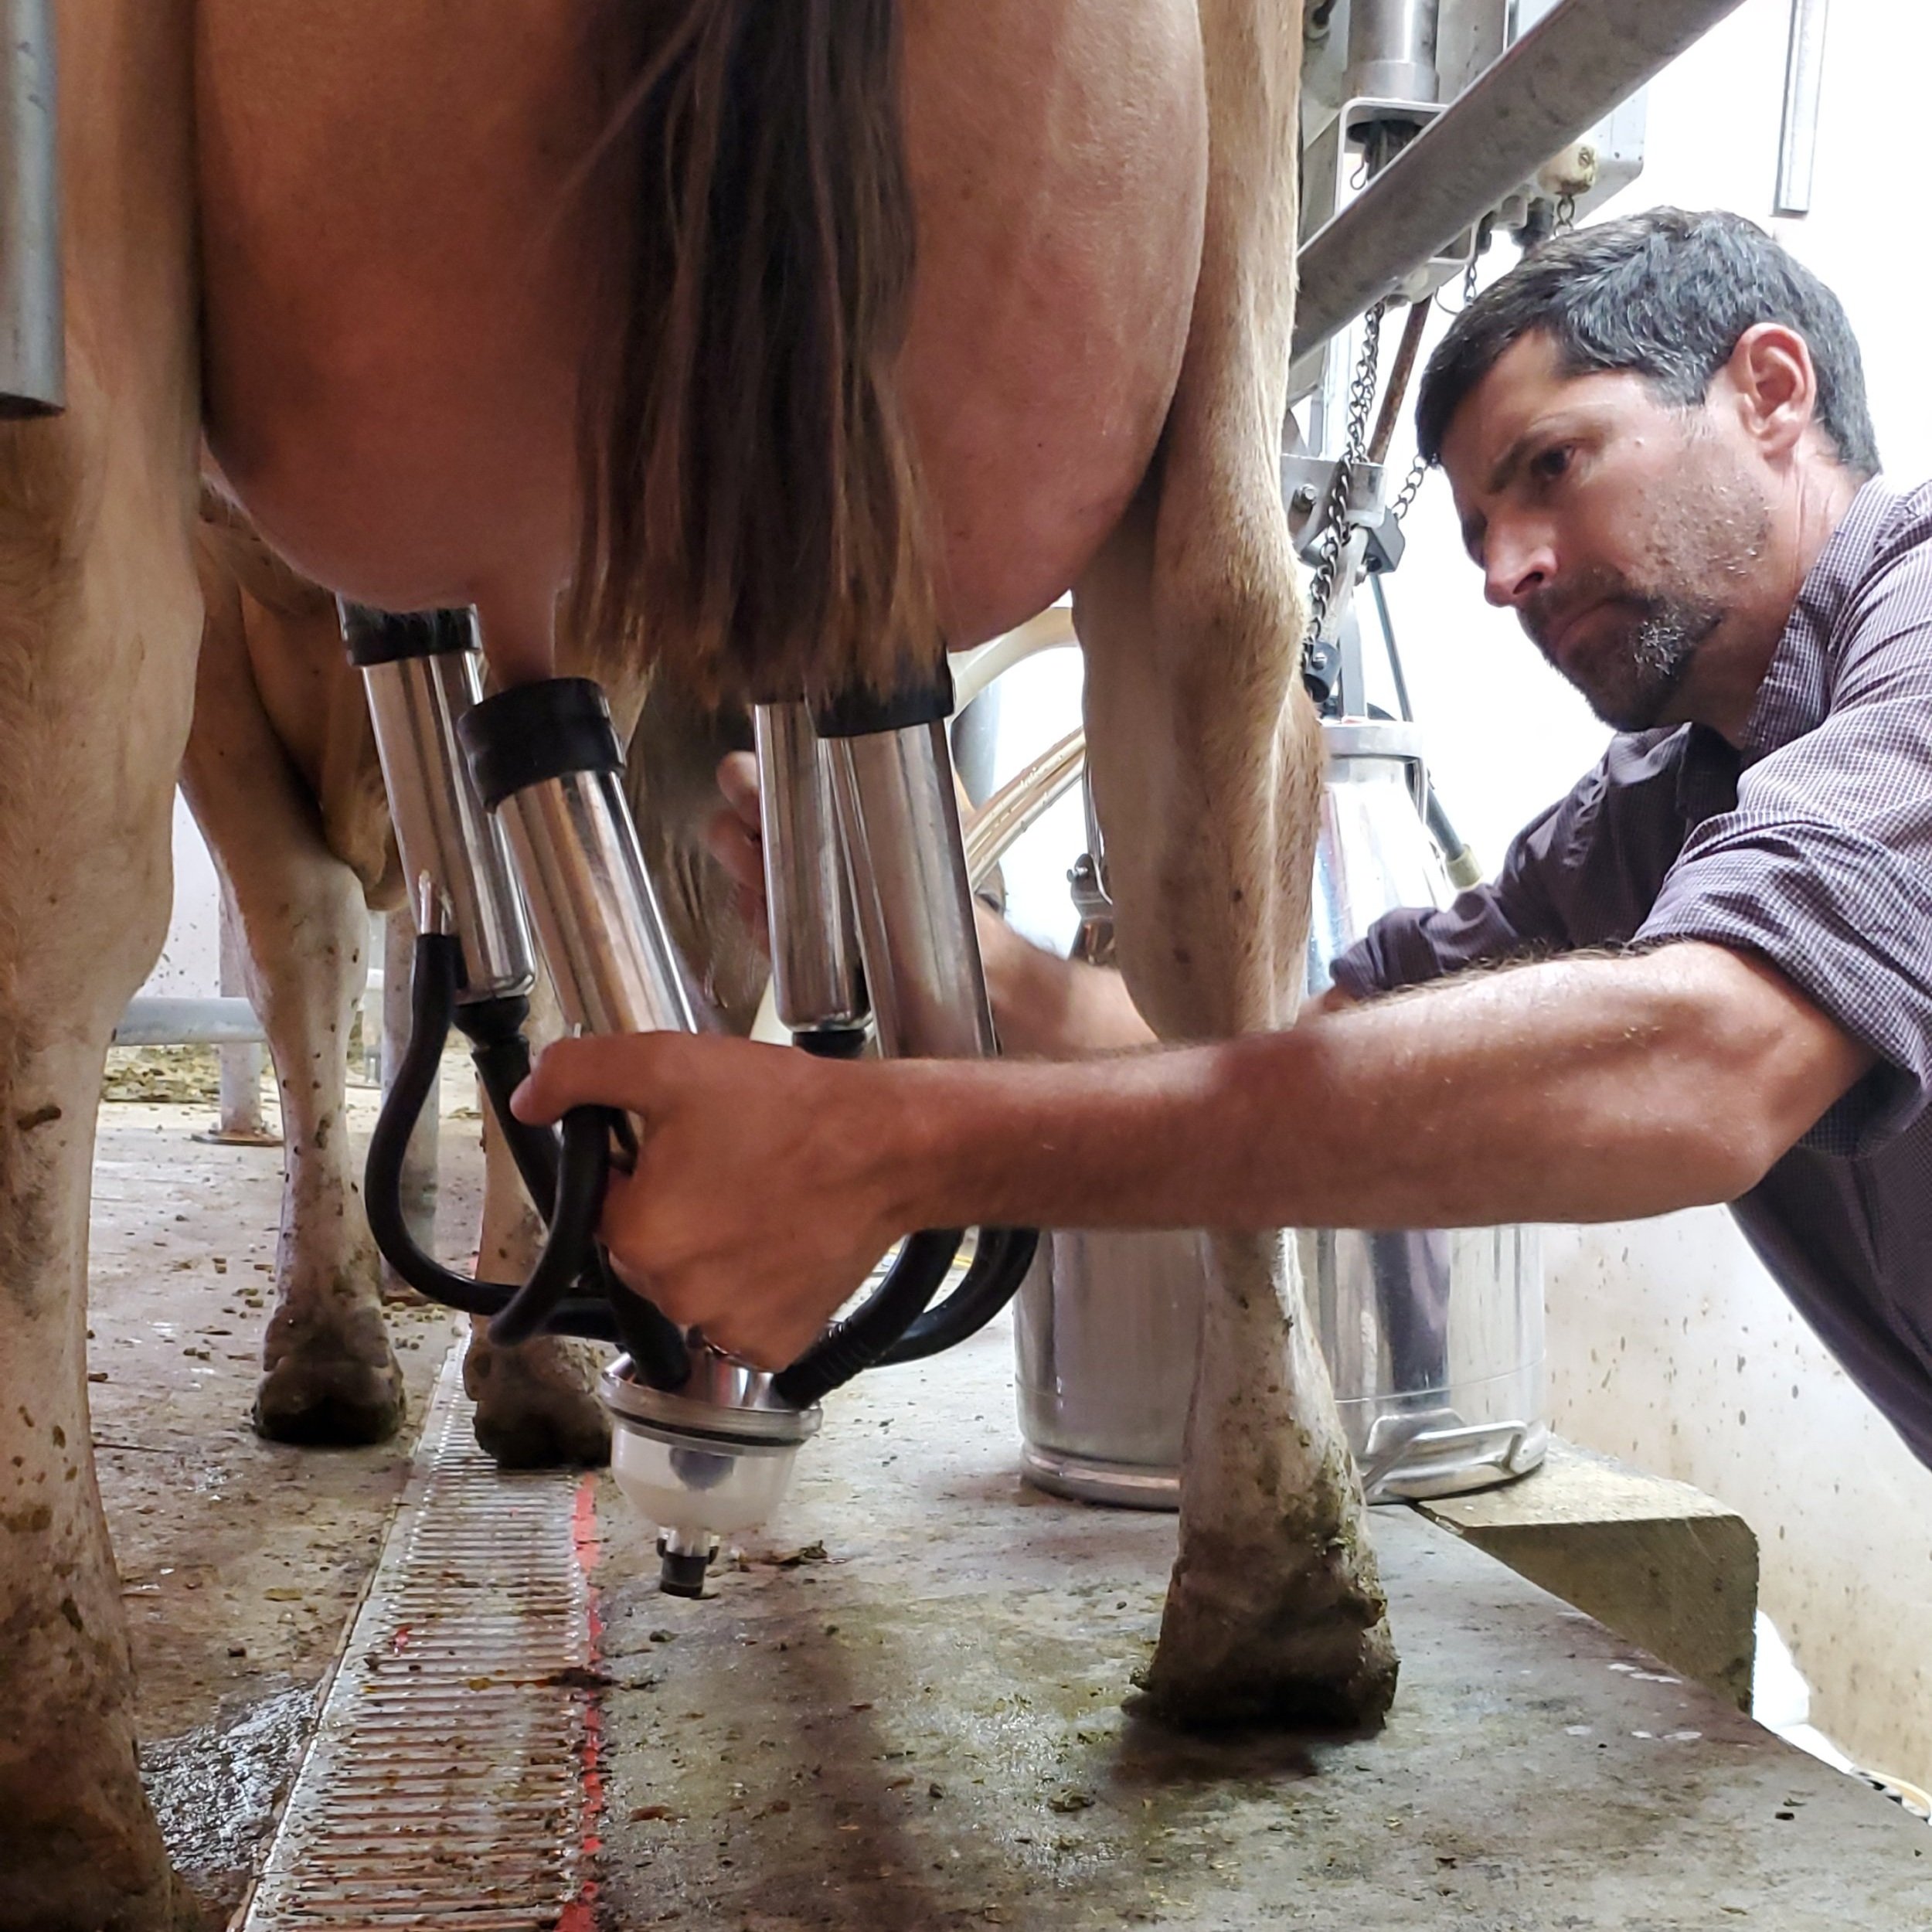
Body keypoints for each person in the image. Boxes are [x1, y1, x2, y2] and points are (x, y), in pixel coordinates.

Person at [515, 208, 1932, 1475]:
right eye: (1480, 533)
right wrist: (966, 961)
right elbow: (1305, 1059)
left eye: (1553, 467)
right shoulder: (1662, 812)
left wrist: (893, 1147)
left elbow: (1708, 1063)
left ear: (1769, 389)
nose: (1508, 576)